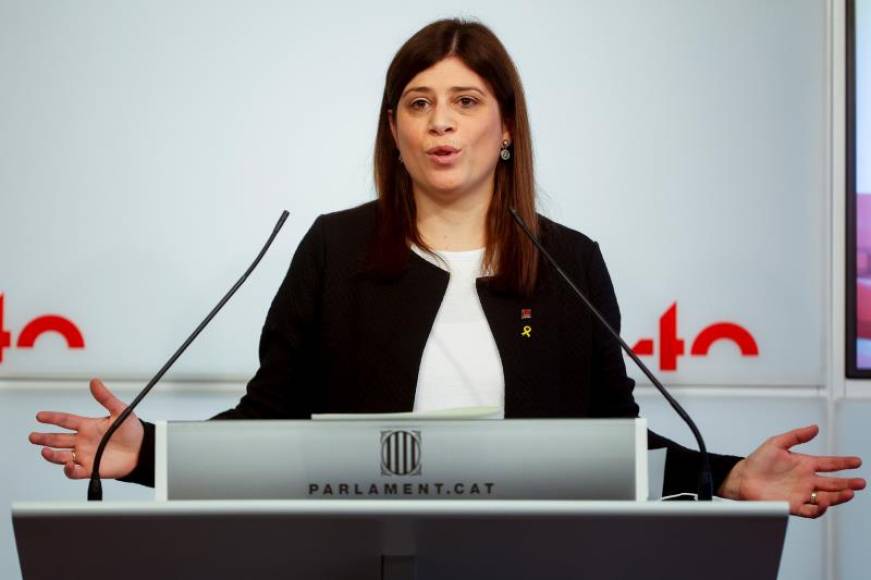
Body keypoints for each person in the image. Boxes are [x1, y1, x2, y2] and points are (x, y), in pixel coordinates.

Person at [29, 18, 864, 517]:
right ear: (392, 130)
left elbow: (610, 447)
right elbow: (270, 430)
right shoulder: (332, 250)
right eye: (418, 103)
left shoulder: (567, 262)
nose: (441, 124)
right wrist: (145, 457)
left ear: (505, 131)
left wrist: (724, 478)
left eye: (466, 102)